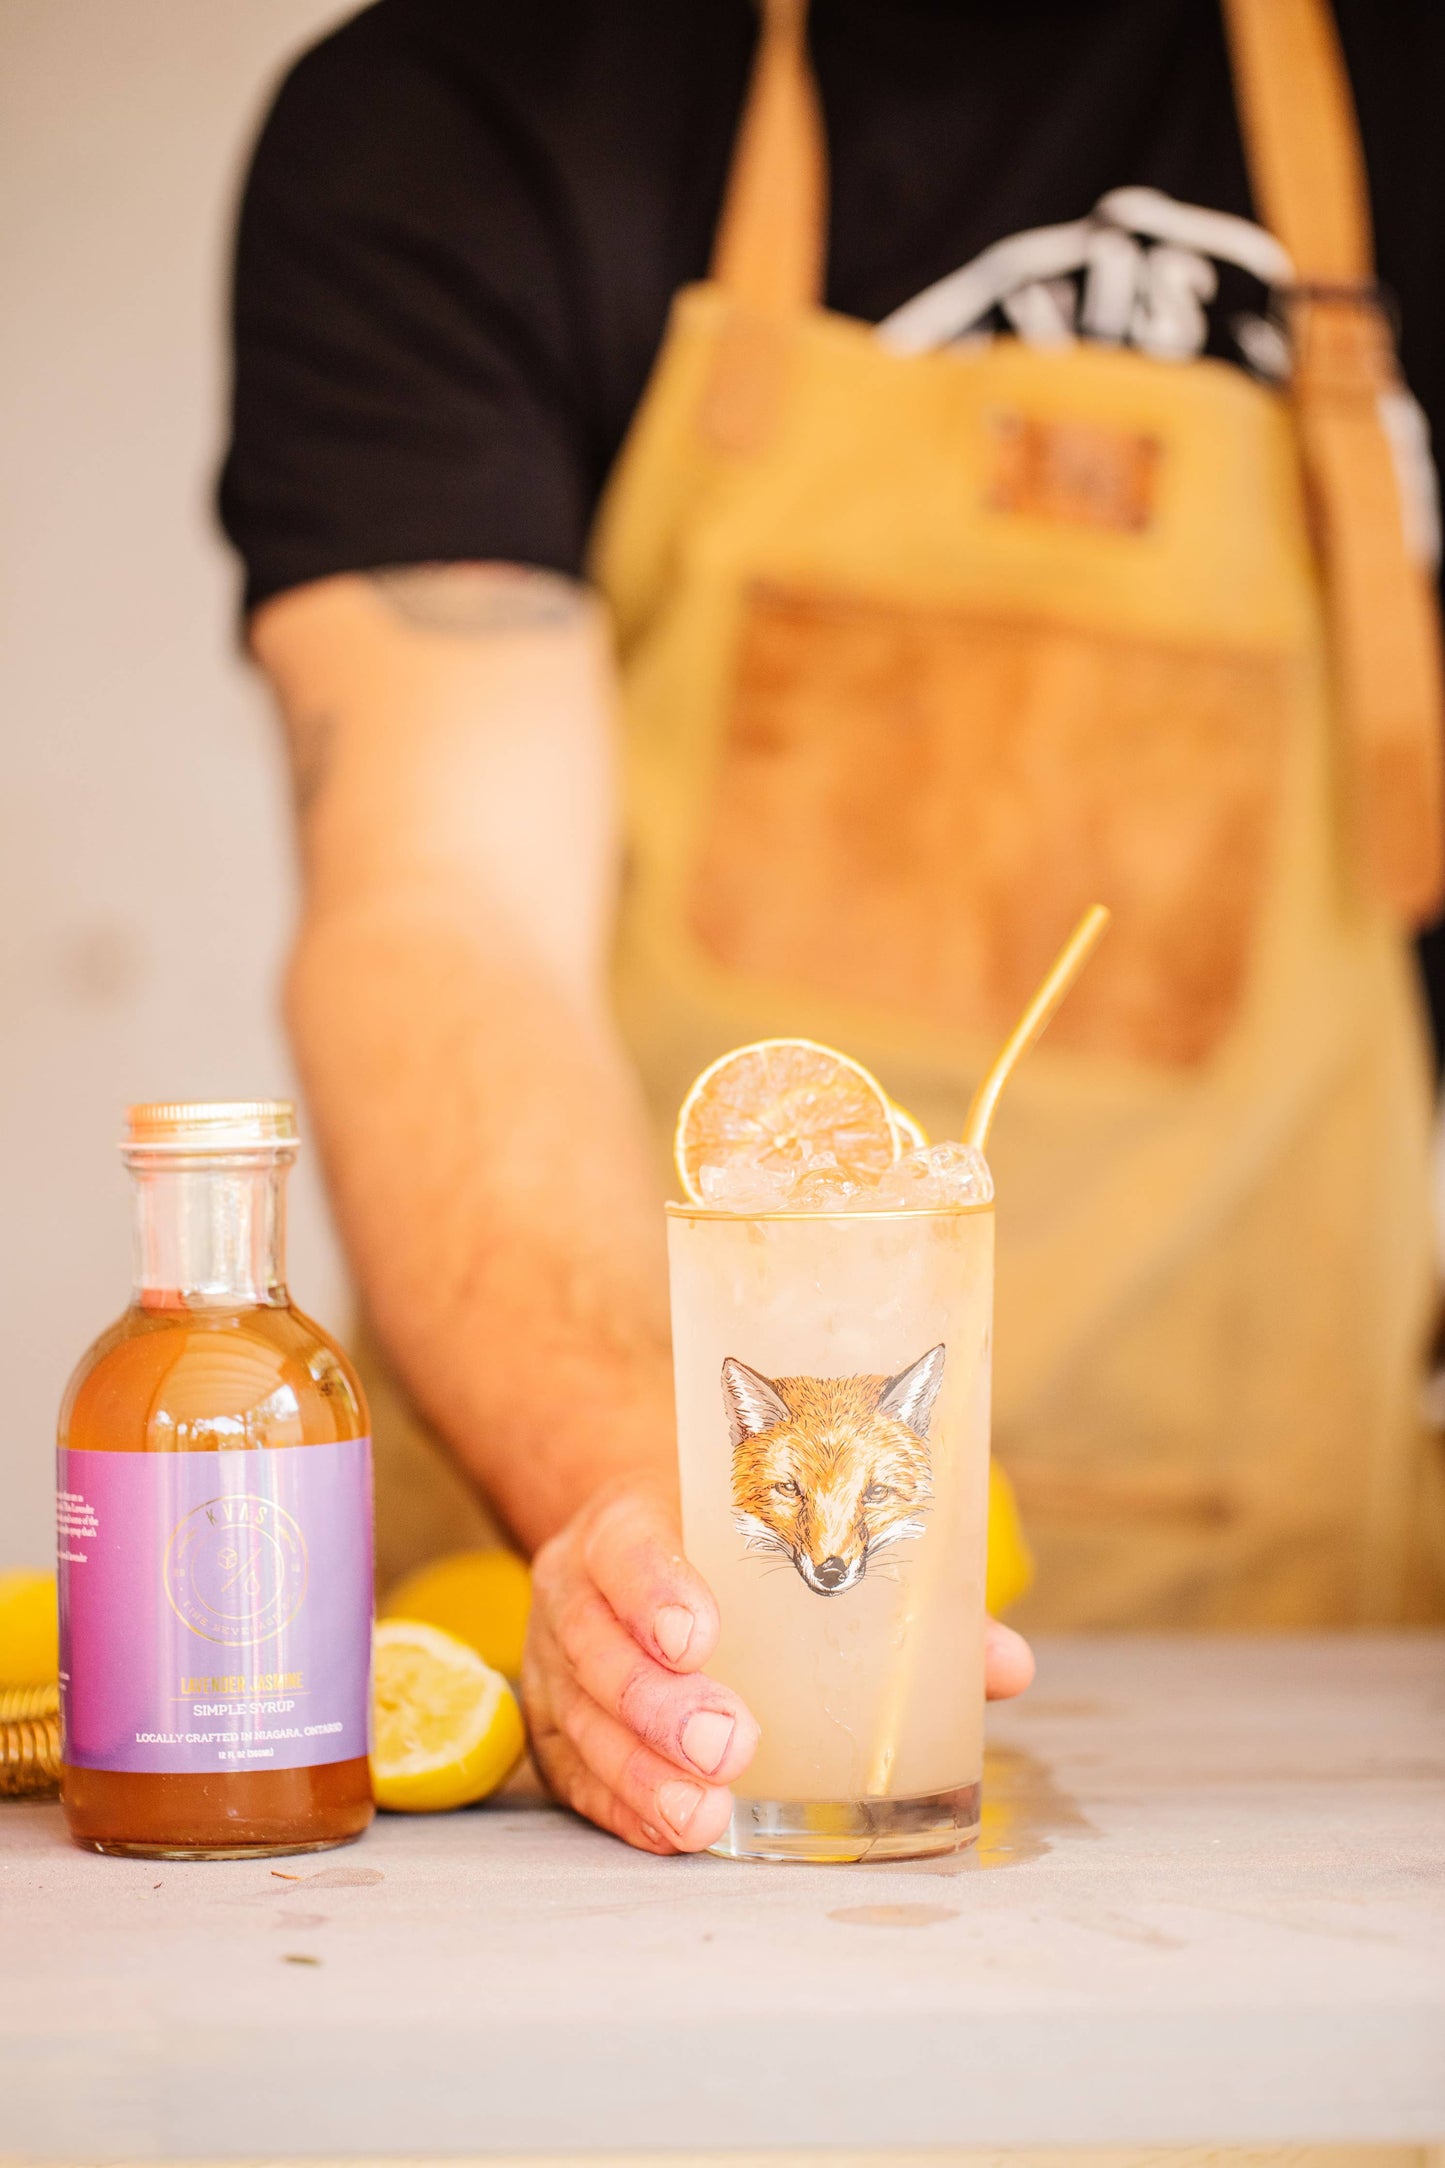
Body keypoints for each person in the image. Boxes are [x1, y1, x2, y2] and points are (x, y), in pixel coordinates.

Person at [221, 0, 1445, 1852]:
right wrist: (677, 1542)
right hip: (637, 1666)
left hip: (1294, 1706)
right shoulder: (458, 107)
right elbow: (442, 911)